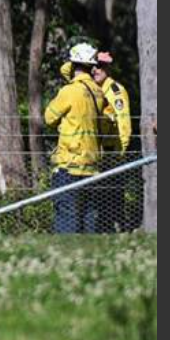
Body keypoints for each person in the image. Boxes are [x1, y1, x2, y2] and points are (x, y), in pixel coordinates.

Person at [60, 51, 134, 231]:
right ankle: (101, 233)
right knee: (97, 200)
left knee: (112, 199)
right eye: (93, 66)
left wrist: (119, 154)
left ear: (108, 68)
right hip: (95, 154)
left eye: (100, 66)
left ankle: (116, 233)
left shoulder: (115, 91)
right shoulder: (90, 89)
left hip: (111, 153)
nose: (96, 70)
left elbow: (124, 124)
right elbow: (64, 71)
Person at [45, 43, 107, 234]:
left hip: (69, 165)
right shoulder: (97, 92)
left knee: (67, 215)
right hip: (91, 166)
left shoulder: (69, 91)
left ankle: (67, 258)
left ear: (73, 65)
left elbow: (49, 118)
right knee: (88, 215)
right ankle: (87, 257)